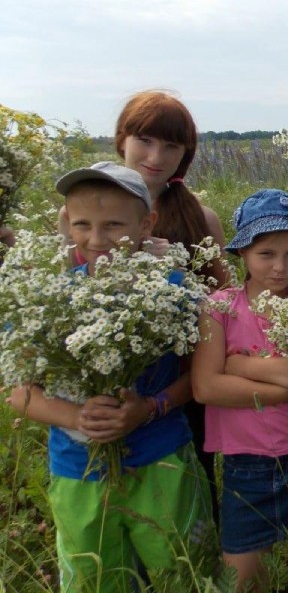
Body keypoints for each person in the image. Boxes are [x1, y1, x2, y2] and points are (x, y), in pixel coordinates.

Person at [6, 161, 213, 593]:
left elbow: (197, 376)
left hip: (161, 460)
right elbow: (20, 392)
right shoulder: (48, 298)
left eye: (114, 225)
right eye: (83, 224)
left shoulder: (174, 290)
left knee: (188, 572)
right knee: (94, 579)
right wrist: (76, 416)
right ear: (68, 223)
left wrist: (149, 409)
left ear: (146, 223)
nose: (96, 240)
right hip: (77, 471)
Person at [58, 91, 230, 507]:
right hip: (99, 385)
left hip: (176, 384)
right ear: (122, 141)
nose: (156, 155)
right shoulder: (79, 210)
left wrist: (174, 271)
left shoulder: (199, 216)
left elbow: (224, 298)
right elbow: (62, 297)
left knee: (185, 497)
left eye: (172, 145)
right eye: (145, 140)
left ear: (185, 154)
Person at [192, 188, 288, 592]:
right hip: (247, 465)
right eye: (266, 254)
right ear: (241, 252)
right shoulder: (220, 307)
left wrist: (243, 366)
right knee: (242, 576)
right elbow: (207, 386)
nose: (280, 267)